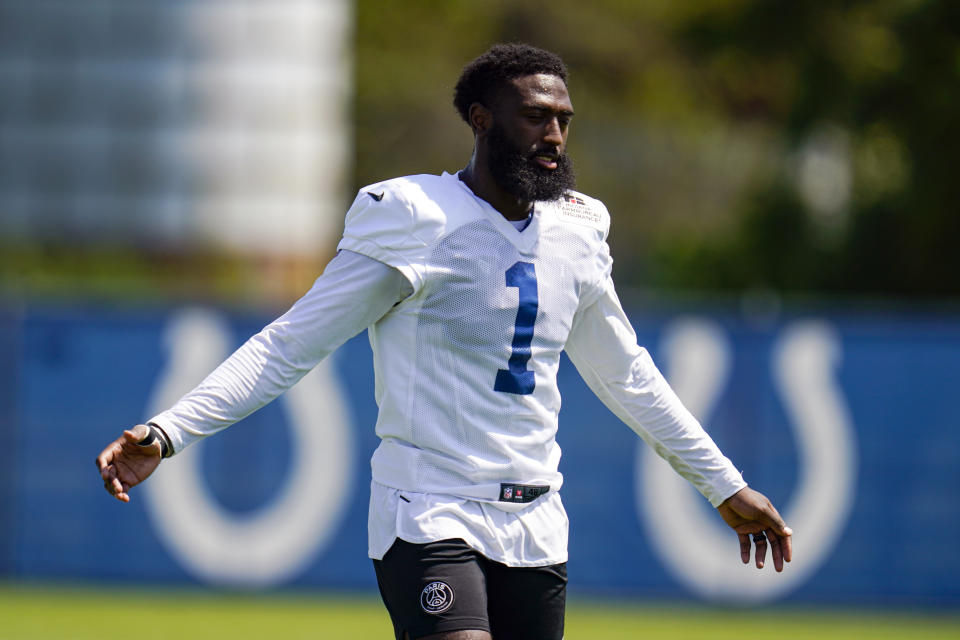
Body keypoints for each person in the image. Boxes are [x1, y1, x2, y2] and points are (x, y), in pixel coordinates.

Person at [97, 43, 792, 640]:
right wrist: (168, 431)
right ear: (481, 120)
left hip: (537, 518)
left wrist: (723, 484)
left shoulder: (579, 230)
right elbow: (290, 345)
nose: (553, 136)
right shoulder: (412, 217)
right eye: (535, 118)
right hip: (430, 508)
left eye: (563, 121)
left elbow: (627, 376)